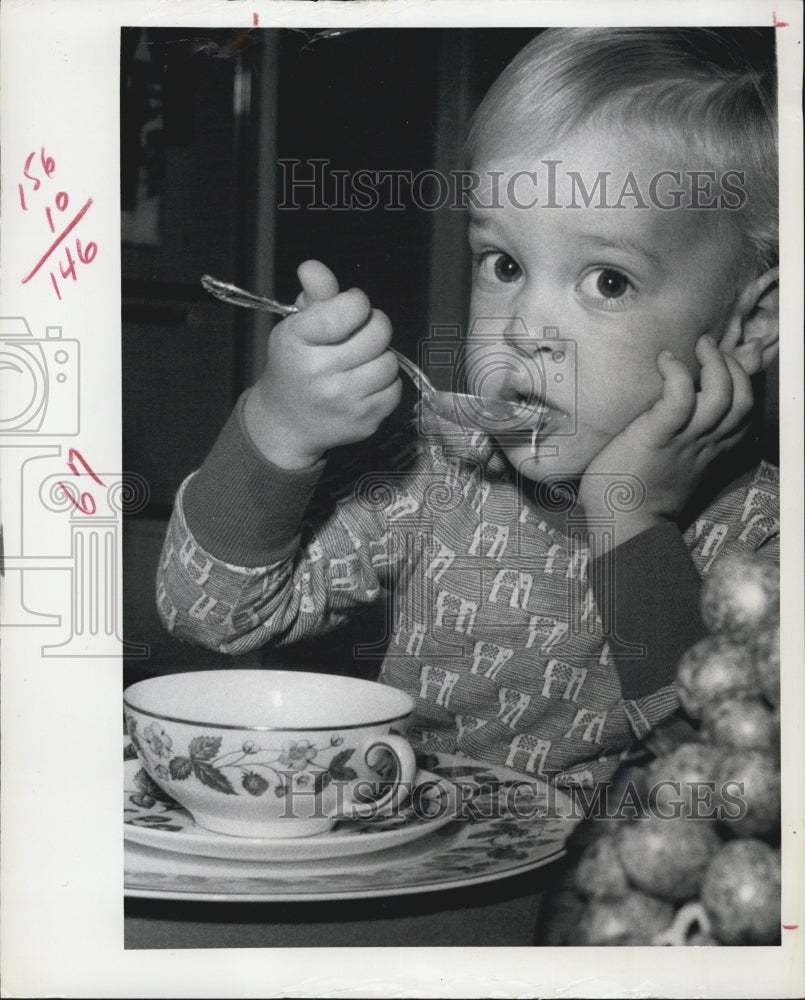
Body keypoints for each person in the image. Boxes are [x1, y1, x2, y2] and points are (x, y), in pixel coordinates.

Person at [157, 28, 779, 787]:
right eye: (504, 264)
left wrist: (634, 519)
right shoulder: (438, 473)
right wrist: (276, 429)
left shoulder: (766, 538)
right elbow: (212, 615)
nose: (523, 327)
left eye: (607, 281)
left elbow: (729, 774)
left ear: (751, 321)